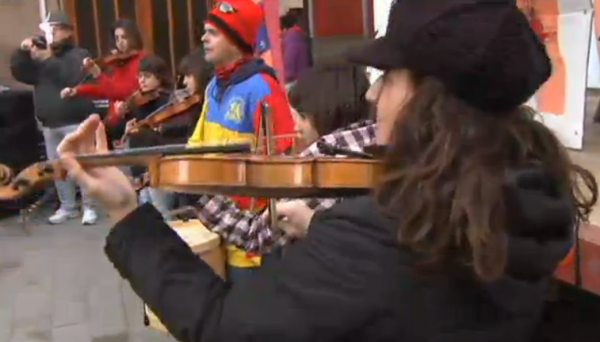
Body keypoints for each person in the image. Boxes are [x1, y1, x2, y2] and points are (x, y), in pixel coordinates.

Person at [58, 0, 598, 341]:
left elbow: (224, 326)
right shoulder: (527, 189)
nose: (371, 91)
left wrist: (126, 211)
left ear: (429, 101)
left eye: (386, 78)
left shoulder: (378, 237)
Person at [190, 61, 374, 254]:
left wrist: (204, 197)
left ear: (326, 112)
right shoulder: (373, 141)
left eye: (302, 116)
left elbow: (258, 236)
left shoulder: (330, 166)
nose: (295, 128)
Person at [187, 0, 295, 280]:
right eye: (204, 31)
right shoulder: (213, 86)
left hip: (247, 241)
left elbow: (283, 160)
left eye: (213, 32)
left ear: (235, 40)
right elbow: (196, 145)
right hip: (213, 220)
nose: (203, 38)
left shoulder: (262, 87)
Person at [10, 10, 98, 225]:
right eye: (49, 29)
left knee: (82, 165)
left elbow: (70, 78)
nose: (52, 33)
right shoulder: (42, 58)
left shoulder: (78, 54)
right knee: (58, 169)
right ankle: (67, 206)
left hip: (76, 122)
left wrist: (48, 58)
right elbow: (21, 73)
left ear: (67, 30)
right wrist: (22, 53)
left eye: (55, 28)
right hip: (50, 124)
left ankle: (90, 206)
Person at [60, 19, 146, 144]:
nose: (120, 43)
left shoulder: (143, 61)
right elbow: (105, 89)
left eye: (124, 37)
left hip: (130, 118)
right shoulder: (118, 62)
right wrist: (77, 90)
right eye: (117, 38)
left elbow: (120, 92)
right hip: (114, 119)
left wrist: (98, 74)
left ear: (133, 38)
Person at [121, 54, 173, 218]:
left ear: (160, 77)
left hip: (158, 166)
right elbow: (119, 129)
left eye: (147, 76)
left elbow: (166, 135)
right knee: (145, 211)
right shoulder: (137, 101)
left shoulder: (167, 102)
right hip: (139, 165)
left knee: (162, 211)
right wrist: (125, 126)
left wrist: (148, 129)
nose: (142, 81)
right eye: (140, 76)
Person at [280, 11, 312, 89]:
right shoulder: (299, 35)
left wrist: (285, 76)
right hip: (304, 78)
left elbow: (289, 60)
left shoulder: (291, 38)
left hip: (294, 81)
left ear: (283, 28)